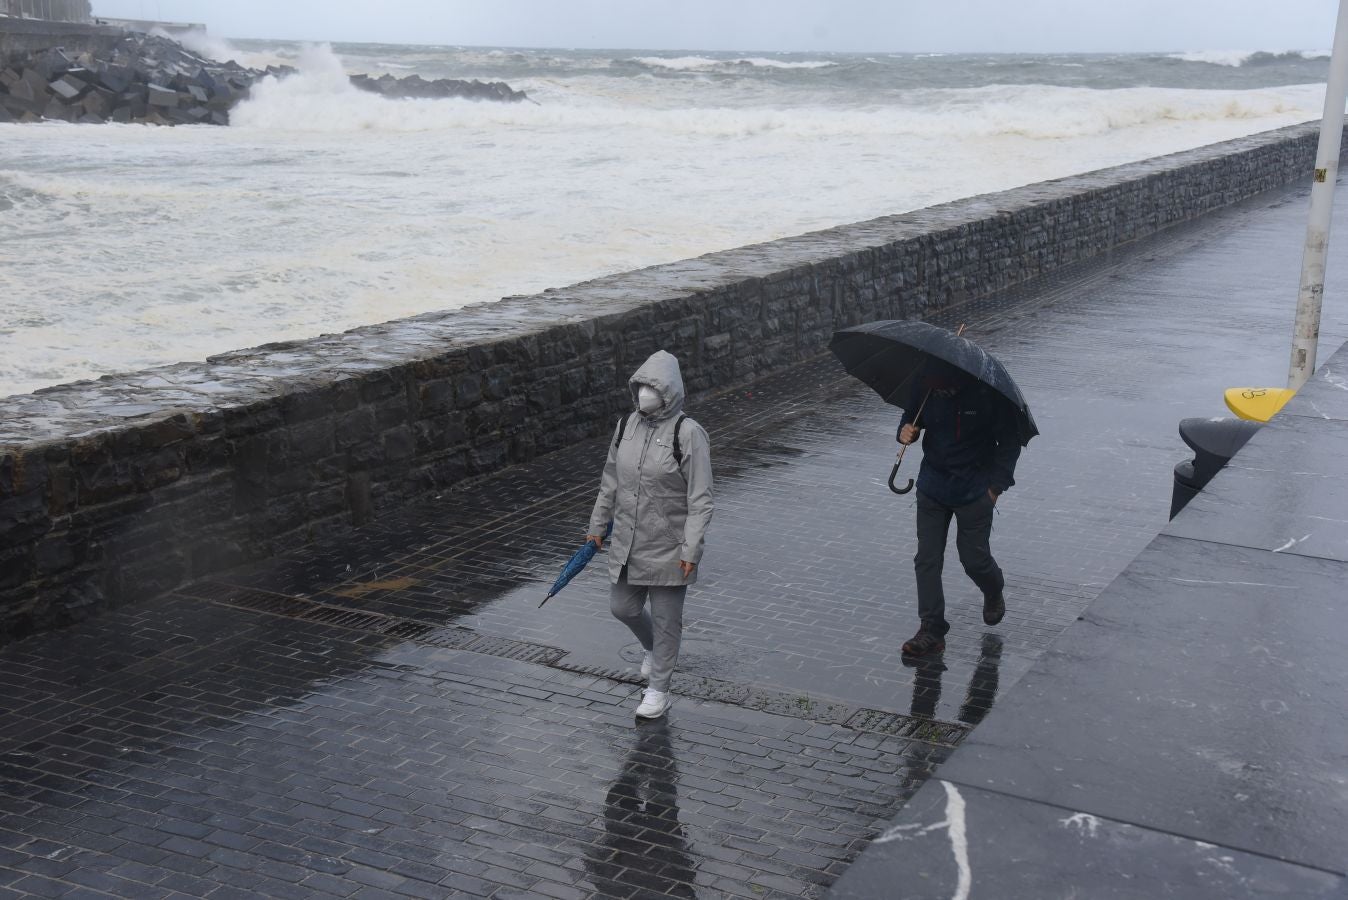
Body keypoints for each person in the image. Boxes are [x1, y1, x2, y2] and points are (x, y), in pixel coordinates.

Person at [587, 350, 713, 720]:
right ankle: (654, 649)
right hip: (629, 542)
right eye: (640, 385)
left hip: (670, 546)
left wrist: (692, 548)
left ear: (669, 390)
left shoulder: (689, 434)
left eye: (652, 387)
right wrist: (597, 527)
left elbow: (701, 497)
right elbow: (610, 480)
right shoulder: (626, 425)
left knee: (666, 620)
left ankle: (658, 690)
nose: (644, 393)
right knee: (622, 607)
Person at [897, 359, 1020, 656]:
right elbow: (909, 419)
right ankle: (931, 629)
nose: (933, 387)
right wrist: (905, 432)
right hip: (932, 487)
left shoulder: (986, 395)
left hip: (974, 490)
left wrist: (995, 488)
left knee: (973, 560)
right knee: (926, 559)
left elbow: (1010, 441)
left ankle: (993, 590)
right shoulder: (925, 387)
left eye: (939, 382)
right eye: (929, 381)